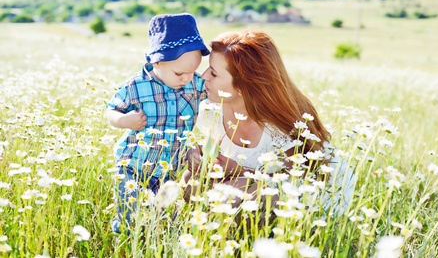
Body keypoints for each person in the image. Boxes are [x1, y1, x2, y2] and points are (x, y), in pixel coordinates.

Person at [182, 29, 354, 217]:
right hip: (253, 181)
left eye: (214, 73)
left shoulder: (281, 127)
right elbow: (215, 152)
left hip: (313, 193)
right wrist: (197, 154)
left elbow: (304, 180)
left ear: (242, 87)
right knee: (191, 182)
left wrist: (241, 171)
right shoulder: (211, 110)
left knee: (233, 193)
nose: (203, 75)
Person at [106, 13, 210, 234]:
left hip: (169, 168)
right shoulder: (135, 86)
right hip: (132, 163)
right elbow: (111, 110)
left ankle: (158, 241)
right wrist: (125, 120)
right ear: (156, 62)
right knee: (129, 209)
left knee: (168, 216)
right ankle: (124, 240)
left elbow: (218, 98)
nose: (187, 78)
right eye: (180, 72)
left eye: (193, 71)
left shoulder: (195, 83)